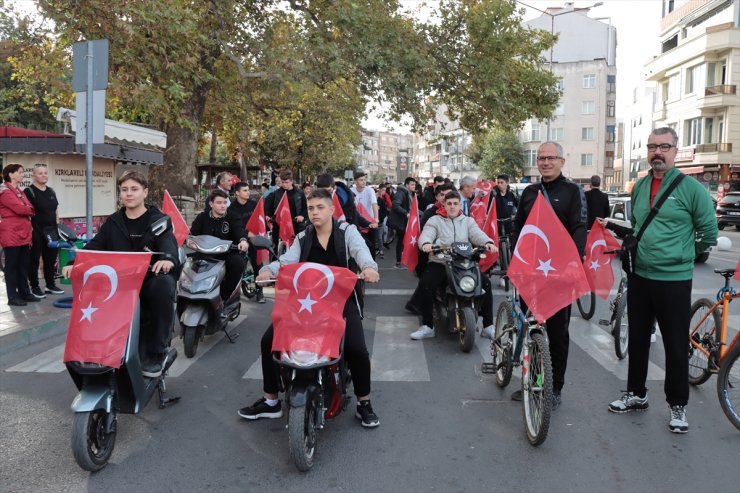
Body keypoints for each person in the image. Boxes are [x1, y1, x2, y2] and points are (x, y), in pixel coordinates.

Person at [239, 188, 381, 427]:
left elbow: (362, 252)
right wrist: (268, 271)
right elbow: (287, 261)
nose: (315, 212)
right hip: (306, 301)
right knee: (269, 341)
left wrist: (369, 268)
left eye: (320, 207)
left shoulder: (348, 232)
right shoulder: (304, 236)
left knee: (357, 348)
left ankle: (363, 402)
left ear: (332, 209)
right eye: (311, 208)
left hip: (340, 299)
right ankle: (271, 400)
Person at [607, 127, 717, 434]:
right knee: (639, 339)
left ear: (674, 150)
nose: (658, 152)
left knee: (675, 344)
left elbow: (709, 231)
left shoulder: (691, 188)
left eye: (664, 146)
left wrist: (684, 254)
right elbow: (639, 224)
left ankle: (677, 405)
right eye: (653, 146)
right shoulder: (641, 186)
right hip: (641, 276)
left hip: (674, 279)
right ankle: (636, 395)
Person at [61, 171, 180, 377]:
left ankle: (156, 352)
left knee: (164, 286)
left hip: (149, 280)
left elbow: (168, 243)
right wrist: (75, 262)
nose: (129, 194)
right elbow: (95, 246)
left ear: (145, 192)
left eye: (134, 189)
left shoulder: (159, 220)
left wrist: (168, 259)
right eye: (124, 190)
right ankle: (93, 350)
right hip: (120, 283)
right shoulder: (113, 221)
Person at [511, 141, 587, 410]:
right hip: (530, 273)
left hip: (559, 274)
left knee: (557, 334)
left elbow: (580, 227)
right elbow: (519, 228)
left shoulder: (572, 192)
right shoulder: (530, 192)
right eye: (541, 158)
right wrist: (515, 262)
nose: (545, 162)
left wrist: (574, 263)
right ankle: (532, 381)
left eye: (550, 158)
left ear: (562, 161)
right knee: (529, 329)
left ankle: (555, 387)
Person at [410, 190, 497, 340]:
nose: (452, 206)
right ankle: (427, 326)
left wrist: (488, 242)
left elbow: (477, 234)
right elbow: (426, 235)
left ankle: (488, 326)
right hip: (440, 261)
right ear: (443, 204)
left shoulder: (467, 221)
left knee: (486, 284)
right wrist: (426, 244)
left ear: (460, 205)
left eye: (455, 204)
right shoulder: (435, 220)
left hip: (464, 262)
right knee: (425, 284)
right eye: (449, 203)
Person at [405, 182, 456, 315]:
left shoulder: (459, 214)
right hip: (433, 253)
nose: (446, 199)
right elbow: (424, 233)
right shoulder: (431, 213)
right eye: (442, 195)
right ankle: (426, 316)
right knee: (429, 281)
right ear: (437, 197)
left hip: (454, 255)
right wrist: (431, 245)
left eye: (449, 195)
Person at [191, 189, 249, 303]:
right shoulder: (202, 217)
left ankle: (223, 298)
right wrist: (185, 239)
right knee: (185, 264)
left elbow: (239, 229)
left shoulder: (233, 216)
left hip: (227, 254)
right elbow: (192, 233)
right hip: (204, 255)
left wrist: (243, 240)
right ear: (211, 204)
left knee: (238, 264)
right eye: (219, 203)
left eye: (225, 202)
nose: (223, 206)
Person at [24, 164, 65, 298]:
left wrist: (57, 224)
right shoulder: (29, 191)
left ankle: (50, 285)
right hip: (36, 230)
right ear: (34, 175)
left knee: (50, 259)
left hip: (51, 230)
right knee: (34, 260)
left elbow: (55, 209)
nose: (43, 175)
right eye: (40, 173)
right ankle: (35, 287)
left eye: (45, 173)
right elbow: (26, 212)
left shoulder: (51, 191)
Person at [0, 164, 37, 306]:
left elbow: (30, 207)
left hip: (23, 233)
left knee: (23, 264)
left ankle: (25, 293)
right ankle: (12, 297)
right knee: (12, 266)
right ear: (11, 174)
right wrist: (28, 209)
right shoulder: (4, 191)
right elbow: (21, 209)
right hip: (11, 233)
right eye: (20, 172)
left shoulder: (19, 190)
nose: (23, 174)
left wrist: (28, 209)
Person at [228, 182, 264, 303]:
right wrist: (245, 234)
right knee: (235, 265)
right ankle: (232, 294)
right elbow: (234, 226)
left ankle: (260, 292)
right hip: (239, 240)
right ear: (237, 193)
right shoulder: (231, 209)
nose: (248, 192)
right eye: (245, 190)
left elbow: (260, 219)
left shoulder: (254, 205)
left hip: (254, 239)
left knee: (258, 264)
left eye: (248, 190)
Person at [264, 169, 307, 249]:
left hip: (296, 224)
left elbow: (305, 208)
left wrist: (302, 216)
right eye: (282, 182)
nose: (284, 185)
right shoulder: (276, 193)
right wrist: (268, 215)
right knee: (275, 247)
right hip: (279, 224)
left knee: (297, 247)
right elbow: (268, 206)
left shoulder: (299, 193)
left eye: (286, 182)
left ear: (291, 181)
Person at [387, 176, 416, 268]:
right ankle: (399, 262)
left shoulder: (408, 193)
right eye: (412, 184)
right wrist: (406, 213)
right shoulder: (401, 193)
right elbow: (395, 205)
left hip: (404, 222)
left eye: (414, 185)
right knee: (401, 241)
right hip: (400, 222)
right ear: (406, 185)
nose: (413, 186)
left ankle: (402, 261)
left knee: (403, 241)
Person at [351, 171, 380, 256]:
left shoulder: (369, 190)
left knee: (371, 247)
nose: (364, 182)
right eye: (361, 180)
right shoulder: (350, 191)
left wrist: (376, 219)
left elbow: (374, 204)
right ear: (355, 181)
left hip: (370, 223)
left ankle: (373, 266)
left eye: (364, 180)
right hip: (357, 223)